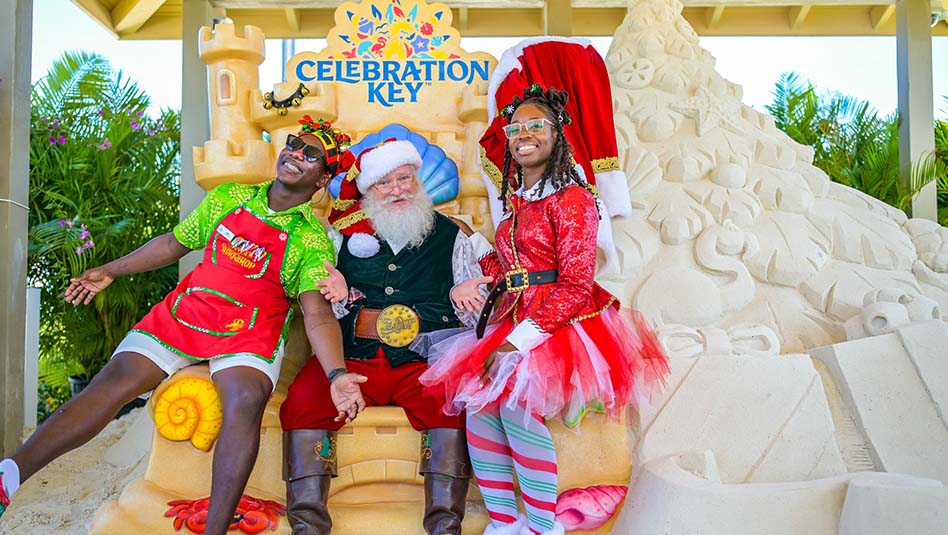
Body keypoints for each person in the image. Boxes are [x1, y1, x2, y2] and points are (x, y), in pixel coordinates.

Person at [0, 119, 367, 535]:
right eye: (295, 143)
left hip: (248, 331)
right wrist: (111, 270)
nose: (296, 153)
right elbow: (174, 243)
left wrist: (336, 374)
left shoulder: (311, 239)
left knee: (245, 399)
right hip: (186, 314)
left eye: (311, 154)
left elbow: (317, 314)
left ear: (323, 178)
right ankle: (9, 476)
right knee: (113, 380)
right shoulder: (229, 197)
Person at [417, 85, 670, 535]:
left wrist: (516, 344)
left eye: (536, 125)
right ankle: (503, 525)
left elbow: (575, 284)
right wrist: (473, 242)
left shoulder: (573, 199)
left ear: (556, 134)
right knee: (480, 412)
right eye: (515, 128)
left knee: (516, 410)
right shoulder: (517, 201)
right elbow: (511, 272)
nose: (523, 135)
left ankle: (539, 527)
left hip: (558, 323)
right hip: (515, 315)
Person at [279, 138, 488, 535]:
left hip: (425, 363)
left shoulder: (452, 235)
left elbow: (478, 310)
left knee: (455, 408)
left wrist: (464, 297)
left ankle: (445, 527)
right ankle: (307, 527)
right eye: (384, 183)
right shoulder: (340, 238)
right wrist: (339, 296)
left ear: (418, 181)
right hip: (352, 360)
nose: (397, 190)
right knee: (303, 401)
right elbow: (317, 310)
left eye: (404, 178)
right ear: (368, 193)